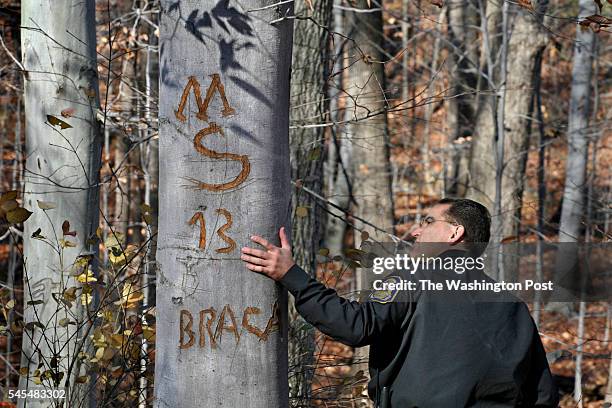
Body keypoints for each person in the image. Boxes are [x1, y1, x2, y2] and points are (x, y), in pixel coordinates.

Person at [240, 198, 559, 407]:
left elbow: (353, 325)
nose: (416, 230)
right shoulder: (513, 305)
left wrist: (292, 275)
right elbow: (542, 395)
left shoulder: (412, 280)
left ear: (454, 233)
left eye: (428, 221)